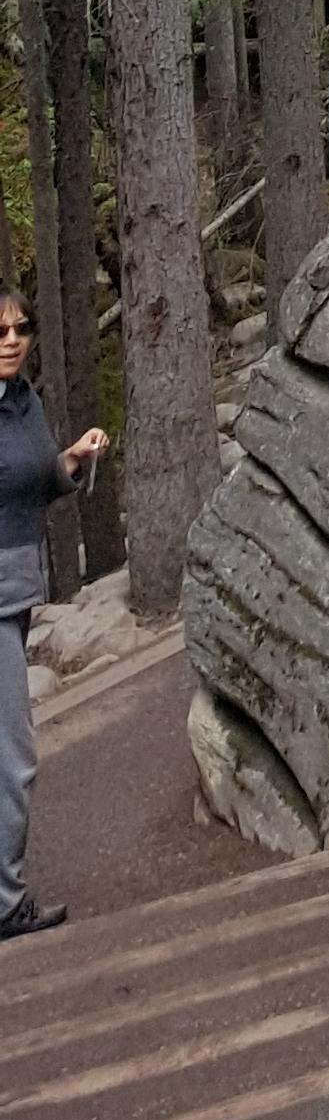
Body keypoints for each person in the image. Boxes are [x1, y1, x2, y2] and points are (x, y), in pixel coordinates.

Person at [0, 289, 107, 944]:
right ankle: (5, 903)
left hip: (15, 595)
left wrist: (70, 460)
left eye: (21, 327)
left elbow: (31, 482)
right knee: (13, 759)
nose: (12, 339)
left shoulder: (23, 404)